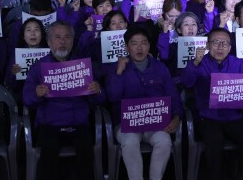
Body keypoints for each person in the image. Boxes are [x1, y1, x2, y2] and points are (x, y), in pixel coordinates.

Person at [23, 21, 105, 180]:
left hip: (78, 123)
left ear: (72, 41)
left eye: (67, 37)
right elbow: (27, 99)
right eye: (57, 37)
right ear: (48, 42)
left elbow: (100, 100)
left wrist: (97, 90)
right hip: (50, 124)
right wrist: (36, 94)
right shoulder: (39, 67)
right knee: (49, 147)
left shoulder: (82, 66)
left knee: (85, 148)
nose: (62, 41)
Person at [180, 28, 243, 180]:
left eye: (225, 43)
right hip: (207, 116)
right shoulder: (199, 62)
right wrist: (195, 62)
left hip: (233, 116)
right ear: (208, 45)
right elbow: (186, 83)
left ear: (230, 47)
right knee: (215, 142)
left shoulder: (238, 63)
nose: (220, 47)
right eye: (216, 42)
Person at [106, 26, 183, 180]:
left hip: (154, 123)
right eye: (134, 43)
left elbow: (173, 96)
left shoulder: (160, 68)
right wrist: (119, 73)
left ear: (149, 46)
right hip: (126, 125)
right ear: (127, 46)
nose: (139, 47)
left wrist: (176, 117)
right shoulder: (117, 68)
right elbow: (112, 97)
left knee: (164, 141)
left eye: (144, 43)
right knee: (130, 142)